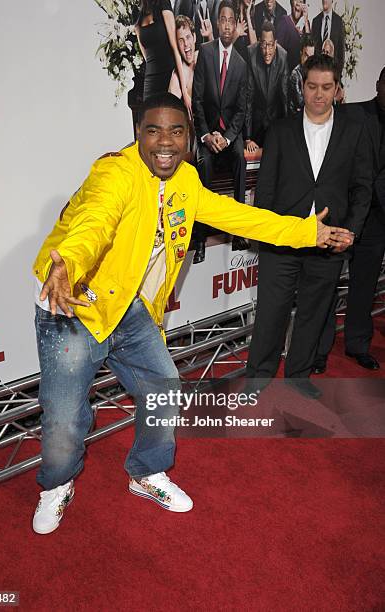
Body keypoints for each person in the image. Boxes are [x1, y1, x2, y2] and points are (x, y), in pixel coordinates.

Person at [32, 92, 351, 534]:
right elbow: (95, 221)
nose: (165, 142)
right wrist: (68, 260)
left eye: (176, 131)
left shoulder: (186, 180)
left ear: (189, 139)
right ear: (136, 134)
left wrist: (304, 231)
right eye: (153, 131)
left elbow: (240, 217)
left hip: (129, 307)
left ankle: (146, 473)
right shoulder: (115, 173)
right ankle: (56, 486)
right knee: (65, 416)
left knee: (163, 388)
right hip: (72, 300)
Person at [245, 54, 372, 399]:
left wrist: (352, 232)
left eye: (326, 87)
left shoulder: (354, 130)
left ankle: (298, 374)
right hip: (283, 238)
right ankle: (258, 375)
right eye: (312, 86)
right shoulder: (281, 129)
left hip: (329, 240)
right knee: (272, 311)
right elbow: (266, 189)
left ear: (337, 89)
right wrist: (267, 232)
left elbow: (363, 186)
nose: (318, 94)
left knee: (314, 312)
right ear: (302, 87)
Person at [313, 67, 385, 374]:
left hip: (377, 221)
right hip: (342, 218)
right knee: (326, 287)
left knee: (364, 287)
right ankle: (317, 352)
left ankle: (357, 345)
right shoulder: (353, 114)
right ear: (379, 84)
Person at [192, 0, 249, 263]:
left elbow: (241, 109)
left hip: (229, 136)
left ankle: (237, 232)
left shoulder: (241, 62)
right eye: (222, 19)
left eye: (231, 20)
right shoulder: (204, 52)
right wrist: (206, 135)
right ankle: (201, 238)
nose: (227, 25)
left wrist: (226, 139)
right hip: (208, 132)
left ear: (237, 25)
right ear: (217, 23)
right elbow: (197, 101)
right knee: (203, 163)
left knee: (240, 158)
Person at [135, 0, 191, 113]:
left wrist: (184, 91)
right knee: (151, 121)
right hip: (150, 80)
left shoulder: (163, 3)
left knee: (170, 120)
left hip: (168, 75)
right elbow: (145, 54)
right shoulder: (136, 12)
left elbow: (175, 48)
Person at [245, 21, 288, 153]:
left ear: (275, 43)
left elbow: (285, 97)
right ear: (259, 42)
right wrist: (247, 137)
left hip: (275, 122)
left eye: (270, 45)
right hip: (256, 124)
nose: (267, 51)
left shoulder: (283, 57)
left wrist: (287, 133)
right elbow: (248, 98)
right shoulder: (251, 54)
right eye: (263, 45)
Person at [312, 0, 345, 79]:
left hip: (333, 75)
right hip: (317, 74)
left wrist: (336, 77)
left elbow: (341, 53)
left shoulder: (339, 22)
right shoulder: (316, 21)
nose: (324, 0)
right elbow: (313, 50)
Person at [276, 0, 311, 73]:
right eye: (296, 0)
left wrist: (306, 20)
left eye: (301, 1)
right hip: (286, 74)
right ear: (291, 3)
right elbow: (278, 54)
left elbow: (309, 50)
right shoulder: (284, 21)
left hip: (302, 75)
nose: (298, 4)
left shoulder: (306, 25)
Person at [169, 15, 197, 100]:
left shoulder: (202, 56)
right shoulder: (176, 78)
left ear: (194, 37)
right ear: (177, 46)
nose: (186, 44)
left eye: (188, 37)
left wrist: (210, 35)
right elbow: (172, 111)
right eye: (181, 40)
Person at [288, 33, 315, 115]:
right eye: (306, 56)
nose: (309, 60)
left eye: (311, 57)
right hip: (295, 119)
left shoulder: (313, 73)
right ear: (301, 54)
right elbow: (301, 103)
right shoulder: (295, 74)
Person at [321, 38, 345, 104]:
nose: (324, 54)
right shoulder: (316, 71)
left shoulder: (336, 74)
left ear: (332, 56)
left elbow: (340, 96)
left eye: (327, 52)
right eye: (323, 51)